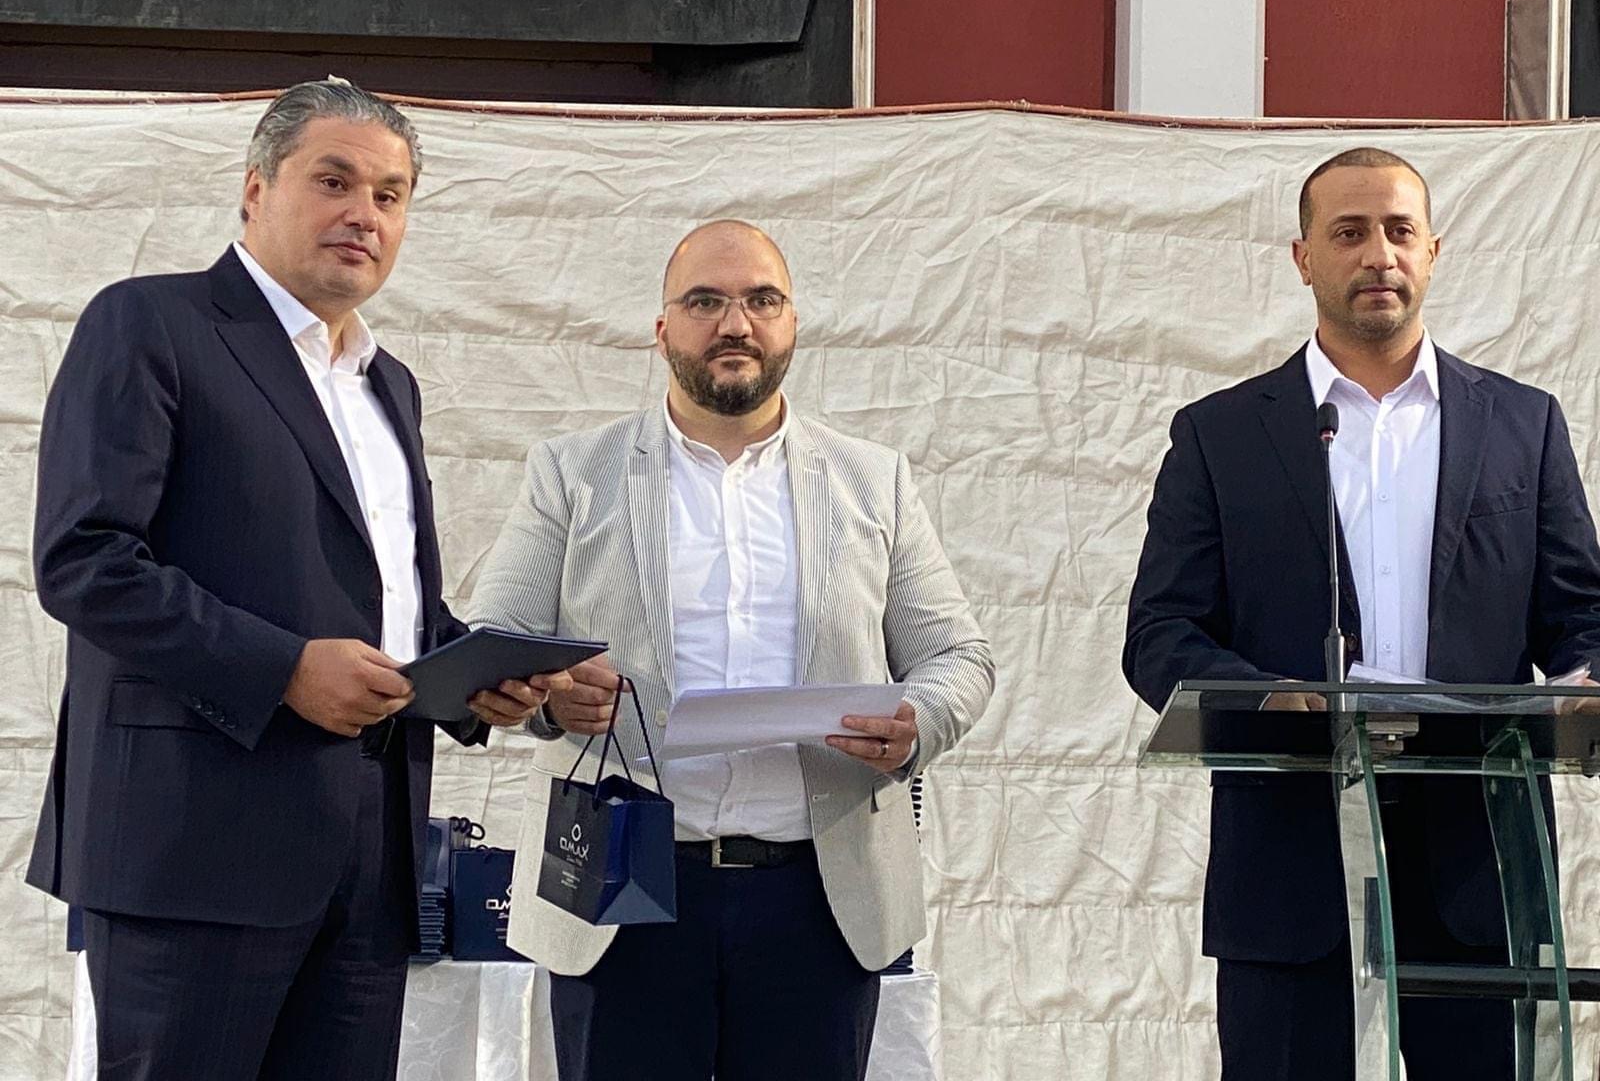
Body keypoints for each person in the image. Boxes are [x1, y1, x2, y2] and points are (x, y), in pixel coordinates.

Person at [28, 79, 549, 1080]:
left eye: (391, 195)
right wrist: (283, 671)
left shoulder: (389, 384)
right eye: (335, 181)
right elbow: (84, 559)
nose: (366, 214)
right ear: (256, 189)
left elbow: (384, 603)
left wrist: (481, 675)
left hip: (371, 859)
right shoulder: (150, 323)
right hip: (195, 852)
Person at [468, 219, 995, 1081]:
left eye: (762, 300)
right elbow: (498, 645)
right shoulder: (572, 472)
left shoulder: (874, 479)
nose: (736, 323)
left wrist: (918, 721)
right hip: (618, 889)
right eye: (705, 302)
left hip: (821, 896)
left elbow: (958, 656)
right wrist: (550, 695)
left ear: (793, 323)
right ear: (662, 328)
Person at [1122, 147, 1600, 1080]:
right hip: (1291, 871)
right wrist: (1272, 697)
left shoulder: (1523, 423)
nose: (1378, 254)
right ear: (1303, 258)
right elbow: (1161, 634)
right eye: (1348, 232)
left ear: (1433, 252)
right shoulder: (1222, 434)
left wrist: (1586, 681)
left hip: (1482, 871)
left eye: (1398, 231)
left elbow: (1580, 613)